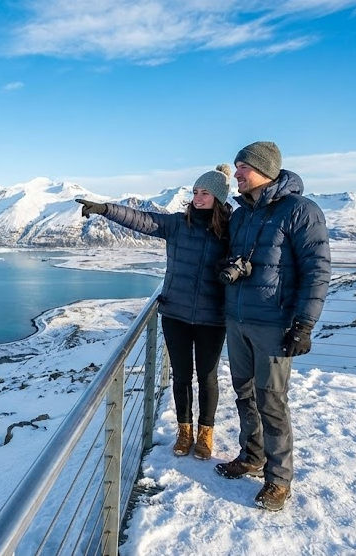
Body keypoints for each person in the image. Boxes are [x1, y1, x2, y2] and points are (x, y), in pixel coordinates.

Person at [76, 165, 233, 461]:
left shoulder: (231, 230)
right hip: (176, 313)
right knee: (182, 375)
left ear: (219, 199)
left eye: (206, 194)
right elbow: (141, 219)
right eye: (196, 192)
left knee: (208, 376)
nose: (198, 198)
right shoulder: (177, 223)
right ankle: (184, 431)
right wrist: (104, 209)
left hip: (213, 316)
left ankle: (205, 433)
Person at [213, 141, 331, 512]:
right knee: (244, 393)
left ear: (263, 170)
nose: (236, 174)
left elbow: (317, 269)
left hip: (275, 324)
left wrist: (304, 324)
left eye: (241, 167)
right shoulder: (241, 214)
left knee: (272, 401)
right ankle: (252, 456)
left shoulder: (300, 211)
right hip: (238, 319)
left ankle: (279, 480)